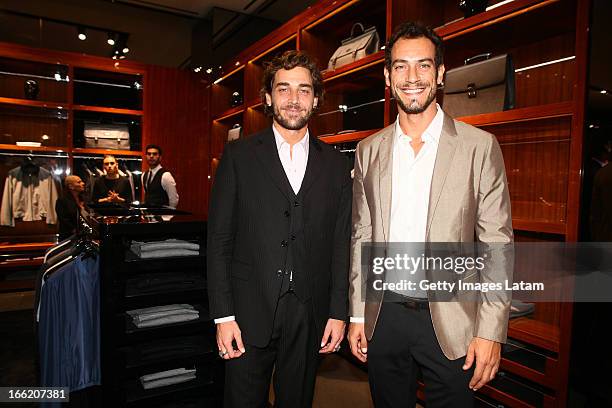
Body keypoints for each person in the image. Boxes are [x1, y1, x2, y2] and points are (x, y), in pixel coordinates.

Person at [347, 22, 513, 407]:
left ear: (439, 74)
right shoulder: (368, 150)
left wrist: (491, 331)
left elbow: (497, 244)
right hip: (384, 315)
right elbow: (362, 236)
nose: (412, 78)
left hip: (455, 321)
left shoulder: (479, 147)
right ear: (388, 76)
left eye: (423, 66)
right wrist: (357, 313)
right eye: (401, 67)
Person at [207, 50, 351, 408]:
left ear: (315, 100)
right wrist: (223, 316)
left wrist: (338, 312)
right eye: (283, 89)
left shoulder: (336, 165)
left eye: (303, 90)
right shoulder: (239, 157)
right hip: (247, 311)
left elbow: (340, 244)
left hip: (309, 313)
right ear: (269, 97)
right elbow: (220, 241)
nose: (293, 99)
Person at [55, 175, 85, 240]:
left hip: (82, 235)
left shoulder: (82, 198)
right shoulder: (62, 200)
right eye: (79, 182)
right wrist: (75, 231)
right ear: (71, 186)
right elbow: (64, 220)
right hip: (68, 237)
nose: (83, 183)